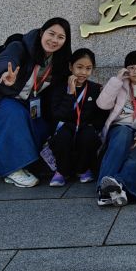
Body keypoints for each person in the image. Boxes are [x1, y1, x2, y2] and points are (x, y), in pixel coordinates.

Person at [0, 18, 70, 188]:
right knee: (15, 116)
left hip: (26, 101)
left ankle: (25, 163)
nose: (54, 40)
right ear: (42, 32)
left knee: (41, 124)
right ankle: (12, 170)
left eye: (60, 37)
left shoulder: (58, 60)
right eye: (51, 34)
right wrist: (5, 73)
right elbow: (7, 58)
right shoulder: (21, 46)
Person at [95, 50, 136, 205]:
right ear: (126, 69)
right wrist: (116, 81)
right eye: (132, 68)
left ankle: (122, 187)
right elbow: (102, 104)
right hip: (119, 128)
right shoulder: (118, 85)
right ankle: (102, 188)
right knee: (123, 134)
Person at [43, 47, 105, 187]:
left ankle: (83, 169)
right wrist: (70, 94)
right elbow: (58, 115)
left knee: (89, 136)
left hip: (84, 126)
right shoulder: (59, 88)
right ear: (71, 67)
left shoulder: (95, 88)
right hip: (64, 126)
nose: (83, 72)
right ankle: (61, 171)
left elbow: (100, 114)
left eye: (88, 68)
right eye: (79, 67)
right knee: (63, 136)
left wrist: (92, 126)